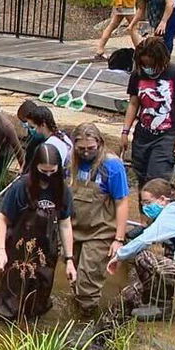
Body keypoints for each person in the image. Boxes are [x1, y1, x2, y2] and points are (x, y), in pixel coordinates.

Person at [105, 178, 175, 321]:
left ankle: (161, 306)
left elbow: (144, 240)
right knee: (130, 294)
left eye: (148, 202)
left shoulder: (171, 215)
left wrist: (118, 256)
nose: (144, 207)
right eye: (142, 203)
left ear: (162, 200)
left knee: (143, 257)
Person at [0, 144, 77, 323]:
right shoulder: (20, 187)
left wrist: (69, 260)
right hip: (17, 251)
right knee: (10, 303)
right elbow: (2, 220)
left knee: (39, 302)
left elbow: (65, 225)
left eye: (52, 171)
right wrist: (1, 251)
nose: (48, 176)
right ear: (35, 166)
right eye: (43, 171)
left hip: (46, 253)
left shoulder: (62, 190)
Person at [68, 123, 130, 317]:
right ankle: (75, 313)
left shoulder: (112, 166)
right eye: (81, 149)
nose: (86, 153)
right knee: (74, 277)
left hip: (100, 232)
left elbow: (121, 203)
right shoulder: (70, 163)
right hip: (74, 230)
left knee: (88, 282)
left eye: (90, 149)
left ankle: (86, 324)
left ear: (100, 144)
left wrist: (118, 240)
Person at [117, 36, 175, 189]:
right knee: (142, 178)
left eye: (150, 65)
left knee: (157, 179)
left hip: (166, 136)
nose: (147, 68)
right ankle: (144, 210)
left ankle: (158, 210)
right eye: (144, 64)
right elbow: (133, 103)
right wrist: (125, 131)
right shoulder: (138, 74)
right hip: (143, 135)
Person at [18, 104, 72, 174]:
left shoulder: (48, 147)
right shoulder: (63, 137)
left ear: (43, 125)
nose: (33, 130)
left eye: (32, 127)